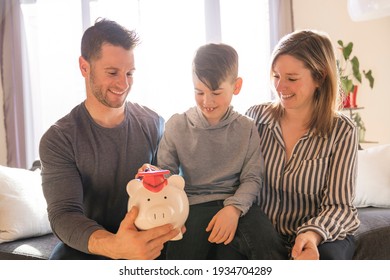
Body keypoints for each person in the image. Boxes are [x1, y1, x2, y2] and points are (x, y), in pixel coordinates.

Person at [38, 18, 180, 260]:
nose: (123, 84)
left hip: (149, 239)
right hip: (90, 244)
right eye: (112, 72)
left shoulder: (154, 123)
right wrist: (116, 246)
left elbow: (175, 185)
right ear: (84, 67)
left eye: (129, 73)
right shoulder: (59, 139)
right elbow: (64, 215)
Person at [156, 43, 287, 259]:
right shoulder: (177, 125)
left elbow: (253, 178)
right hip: (192, 206)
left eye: (216, 92)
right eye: (199, 92)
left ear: (236, 86)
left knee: (266, 243)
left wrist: (233, 209)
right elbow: (166, 174)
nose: (207, 101)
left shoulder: (247, 127)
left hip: (237, 204)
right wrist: (173, 213)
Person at [245, 30, 360, 260]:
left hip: (320, 232)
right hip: (264, 234)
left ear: (319, 77)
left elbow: (339, 206)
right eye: (276, 76)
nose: (280, 87)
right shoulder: (255, 117)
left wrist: (311, 235)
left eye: (292, 78)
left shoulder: (342, 130)